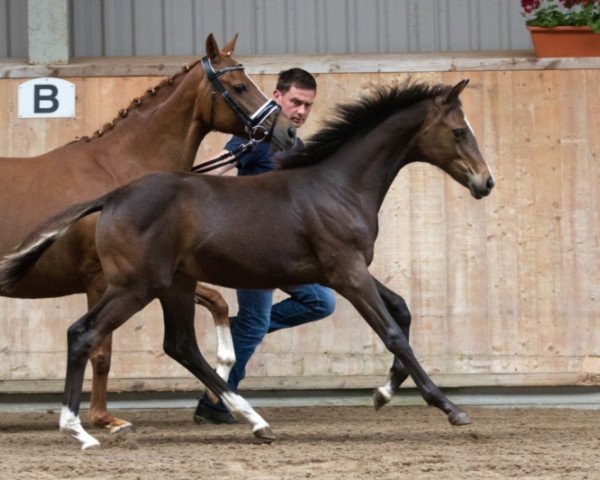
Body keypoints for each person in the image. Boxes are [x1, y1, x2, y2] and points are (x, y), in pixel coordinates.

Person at [194, 68, 336, 425]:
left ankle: (243, 331)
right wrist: (181, 187)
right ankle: (215, 403)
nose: (302, 111)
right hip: (251, 249)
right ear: (276, 97)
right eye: (296, 102)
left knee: (321, 301)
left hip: (283, 252)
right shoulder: (256, 136)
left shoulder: (295, 144)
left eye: (308, 106)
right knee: (255, 325)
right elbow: (219, 168)